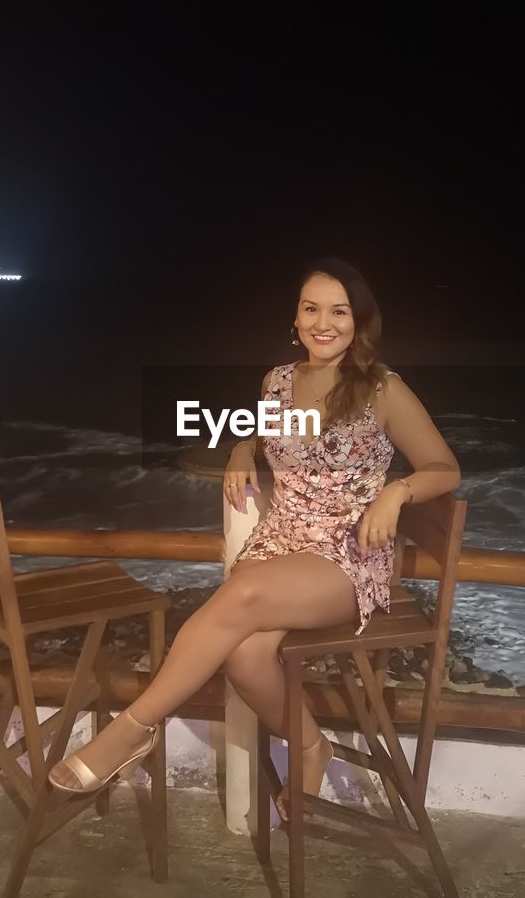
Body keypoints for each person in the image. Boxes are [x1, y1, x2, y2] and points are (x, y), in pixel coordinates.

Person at [50, 258, 461, 819]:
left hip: (346, 554)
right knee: (244, 657)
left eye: (338, 311)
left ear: (359, 321)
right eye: (310, 308)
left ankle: (133, 728)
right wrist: (242, 449)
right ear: (295, 317)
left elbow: (444, 467)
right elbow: (269, 440)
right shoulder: (278, 382)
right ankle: (311, 748)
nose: (323, 323)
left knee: (239, 597)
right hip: (280, 538)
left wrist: (397, 493)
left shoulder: (382, 388)